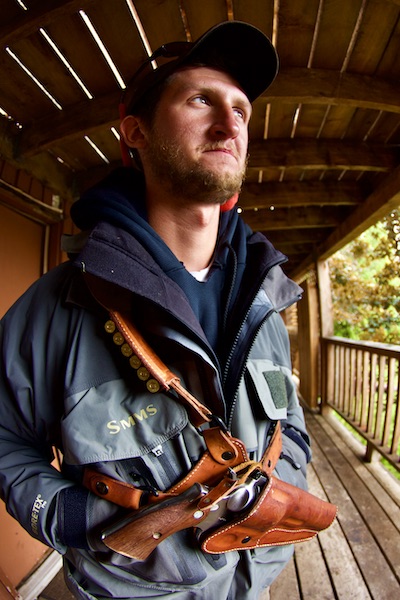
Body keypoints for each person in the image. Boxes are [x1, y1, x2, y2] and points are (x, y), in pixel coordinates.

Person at [0, 21, 311, 600]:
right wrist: (67, 516)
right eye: (201, 100)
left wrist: (279, 489)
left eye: (241, 111)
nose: (229, 124)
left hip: (254, 578)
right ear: (135, 131)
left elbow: (288, 421)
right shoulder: (61, 304)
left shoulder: (269, 299)